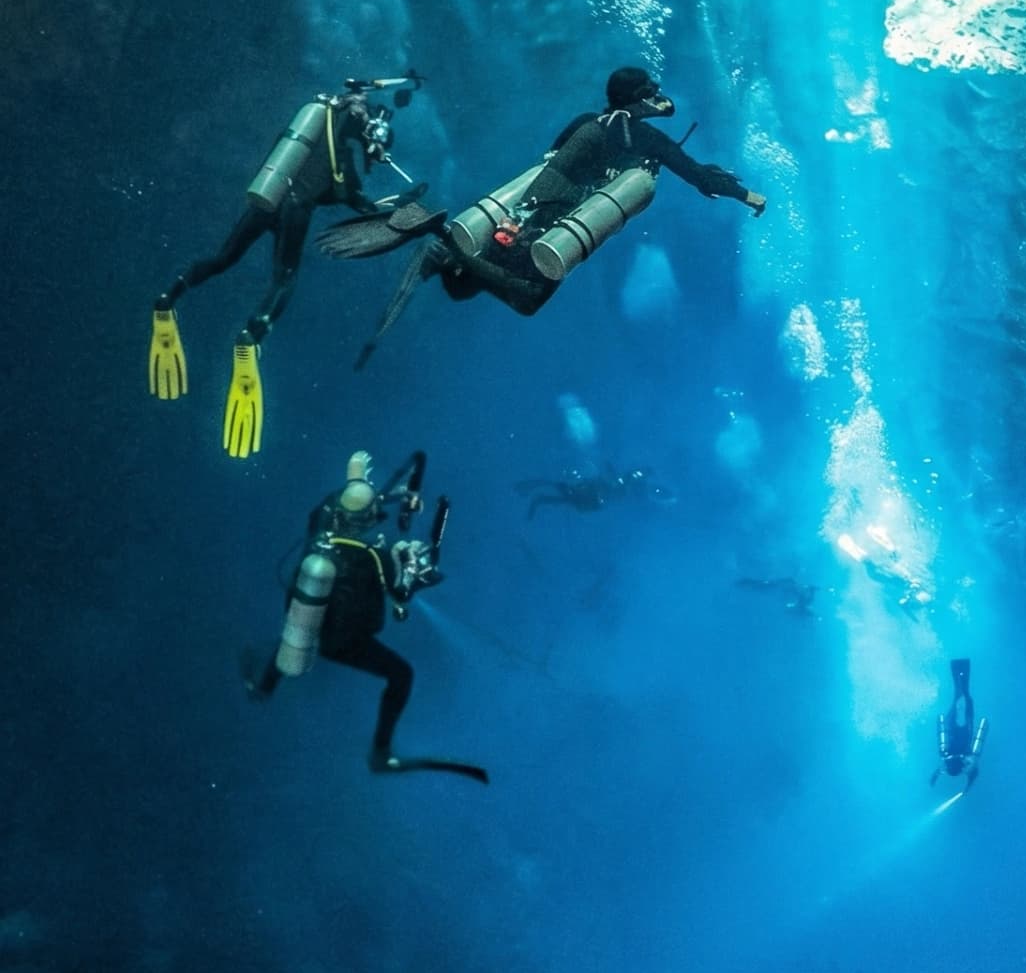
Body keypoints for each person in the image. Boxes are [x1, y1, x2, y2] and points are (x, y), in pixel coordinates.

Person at [326, 67, 766, 365]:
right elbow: (700, 178)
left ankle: (444, 247)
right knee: (529, 298)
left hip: (525, 203)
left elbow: (551, 158)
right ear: (640, 99)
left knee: (462, 287)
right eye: (650, 91)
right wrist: (747, 195)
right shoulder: (648, 139)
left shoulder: (585, 119)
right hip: (557, 219)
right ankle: (440, 234)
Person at [148, 74, 423, 458]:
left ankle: (169, 297)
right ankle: (251, 337)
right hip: (295, 212)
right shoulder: (343, 160)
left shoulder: (314, 126)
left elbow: (353, 100)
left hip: (267, 197)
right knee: (285, 280)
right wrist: (403, 203)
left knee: (224, 258)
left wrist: (366, 95)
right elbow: (363, 205)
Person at [248, 449, 488, 784]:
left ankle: (263, 688)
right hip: (341, 643)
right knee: (402, 675)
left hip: (308, 624)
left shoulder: (321, 522)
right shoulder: (374, 558)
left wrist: (369, 482)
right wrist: (411, 564)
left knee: (297, 629)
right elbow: (402, 596)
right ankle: (380, 753)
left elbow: (353, 505)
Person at [930, 657, 988, 793]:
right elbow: (937, 773)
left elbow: (973, 774)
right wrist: (933, 780)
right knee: (959, 696)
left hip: (964, 726)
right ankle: (958, 669)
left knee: (963, 695)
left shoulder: (967, 757)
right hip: (952, 726)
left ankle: (959, 670)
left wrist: (967, 788)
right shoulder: (946, 756)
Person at [518, 466, 653, 518]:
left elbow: (612, 494)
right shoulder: (620, 482)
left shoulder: (623, 487)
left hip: (589, 498)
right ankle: (539, 496)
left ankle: (539, 497)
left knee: (566, 497)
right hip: (587, 496)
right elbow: (605, 484)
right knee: (566, 496)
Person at [735, 575, 818, 616]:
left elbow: (803, 600)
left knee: (762, 586)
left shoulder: (801, 599)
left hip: (781, 588)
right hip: (781, 588)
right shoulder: (801, 598)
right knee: (762, 586)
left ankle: (744, 583)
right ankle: (744, 583)